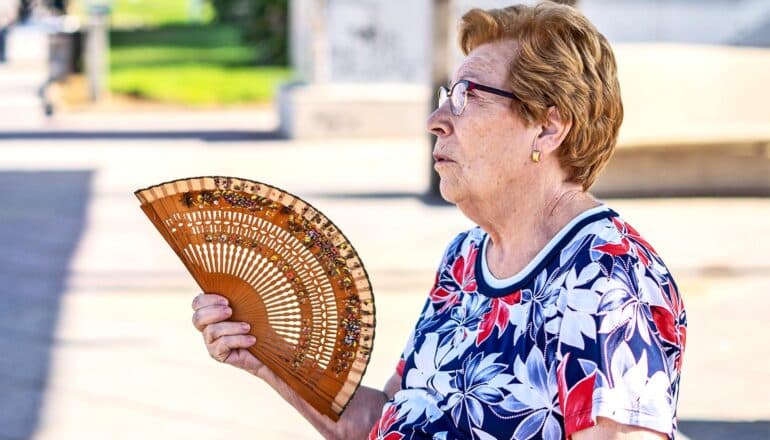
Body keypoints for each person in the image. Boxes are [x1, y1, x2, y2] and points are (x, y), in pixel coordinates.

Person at [191, 2, 687, 439]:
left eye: (468, 96)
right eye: (448, 93)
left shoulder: (610, 278)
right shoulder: (467, 258)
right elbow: (389, 419)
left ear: (548, 126)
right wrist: (271, 357)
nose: (437, 119)